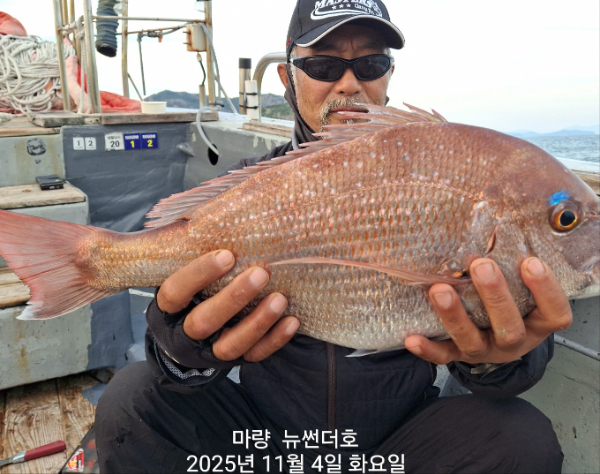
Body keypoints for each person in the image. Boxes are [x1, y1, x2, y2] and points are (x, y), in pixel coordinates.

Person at [96, 1, 569, 472]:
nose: (348, 84)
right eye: (323, 65)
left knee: (520, 440)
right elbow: (175, 362)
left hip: (397, 445)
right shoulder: (241, 193)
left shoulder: (442, 171)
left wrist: (499, 358)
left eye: (371, 64)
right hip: (264, 442)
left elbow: (505, 364)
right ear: (287, 78)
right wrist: (185, 349)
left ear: (388, 75)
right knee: (133, 403)